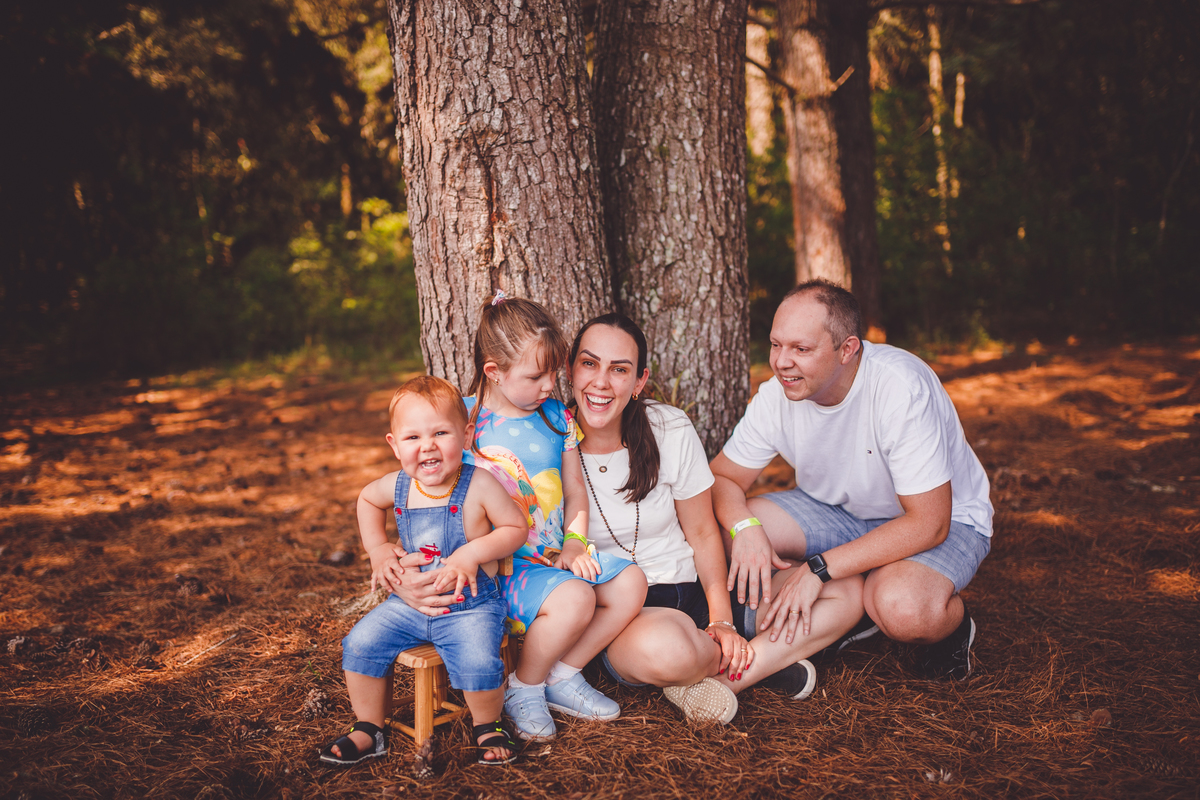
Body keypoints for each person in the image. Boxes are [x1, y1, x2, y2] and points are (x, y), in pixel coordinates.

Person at [569, 313, 864, 724]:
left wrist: (722, 620)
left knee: (843, 591)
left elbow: (704, 532)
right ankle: (758, 659)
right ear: (571, 369)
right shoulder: (551, 445)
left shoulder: (668, 427)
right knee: (670, 651)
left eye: (619, 370)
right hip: (626, 617)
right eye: (589, 363)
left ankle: (743, 670)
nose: (600, 382)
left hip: (700, 594)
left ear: (639, 382)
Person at [710, 279, 994, 680]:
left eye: (801, 349)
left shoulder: (899, 388)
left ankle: (945, 626)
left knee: (904, 608)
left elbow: (931, 523)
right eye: (776, 345)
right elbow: (722, 478)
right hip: (838, 512)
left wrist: (819, 570)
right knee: (726, 531)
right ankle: (828, 616)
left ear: (848, 349)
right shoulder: (778, 393)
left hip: (940, 522)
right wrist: (746, 528)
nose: (781, 362)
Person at [463, 293, 647, 742]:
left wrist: (575, 542)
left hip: (552, 557)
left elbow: (574, 490)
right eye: (536, 375)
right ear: (494, 372)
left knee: (631, 583)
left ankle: (561, 675)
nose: (550, 384)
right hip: (500, 568)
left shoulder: (557, 417)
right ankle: (523, 687)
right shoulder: (467, 421)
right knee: (577, 599)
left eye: (553, 371)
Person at [320, 376, 527, 767]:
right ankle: (369, 727)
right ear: (394, 445)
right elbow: (366, 499)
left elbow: (515, 528)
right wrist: (378, 549)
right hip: (409, 604)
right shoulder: (398, 486)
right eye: (412, 437)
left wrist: (472, 553)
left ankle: (488, 724)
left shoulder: (479, 484)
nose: (427, 445)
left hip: (470, 605)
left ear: (465, 436)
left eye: (440, 433)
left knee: (479, 661)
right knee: (359, 643)